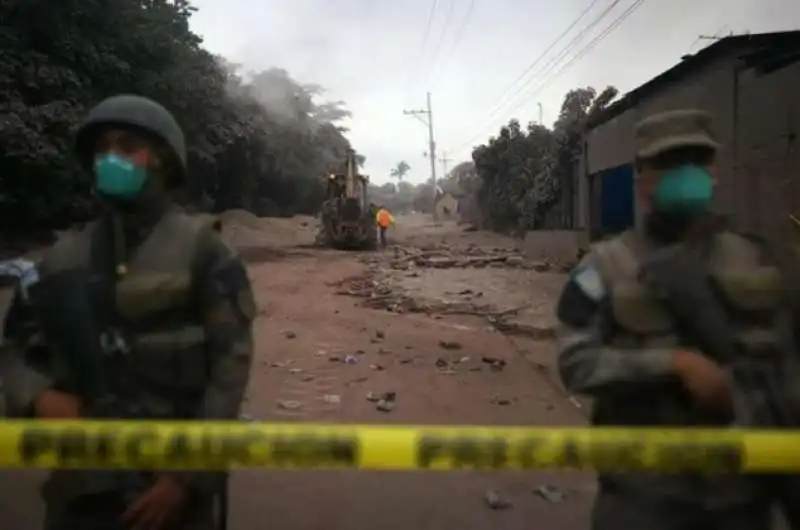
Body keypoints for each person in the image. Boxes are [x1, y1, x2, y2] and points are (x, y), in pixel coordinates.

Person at [1, 94, 254, 530]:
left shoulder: (203, 249)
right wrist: (38, 395)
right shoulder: (63, 258)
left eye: (126, 146)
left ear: (162, 160)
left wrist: (185, 478)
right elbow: (16, 349)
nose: (110, 159)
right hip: (82, 489)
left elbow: (229, 368)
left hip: (173, 488)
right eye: (101, 150)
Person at [554, 108, 799, 530]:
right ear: (641, 174)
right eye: (667, 163)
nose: (684, 174)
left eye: (695, 161)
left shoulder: (759, 259)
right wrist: (672, 365)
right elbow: (576, 362)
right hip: (642, 500)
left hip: (744, 501)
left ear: (714, 170)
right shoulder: (603, 267)